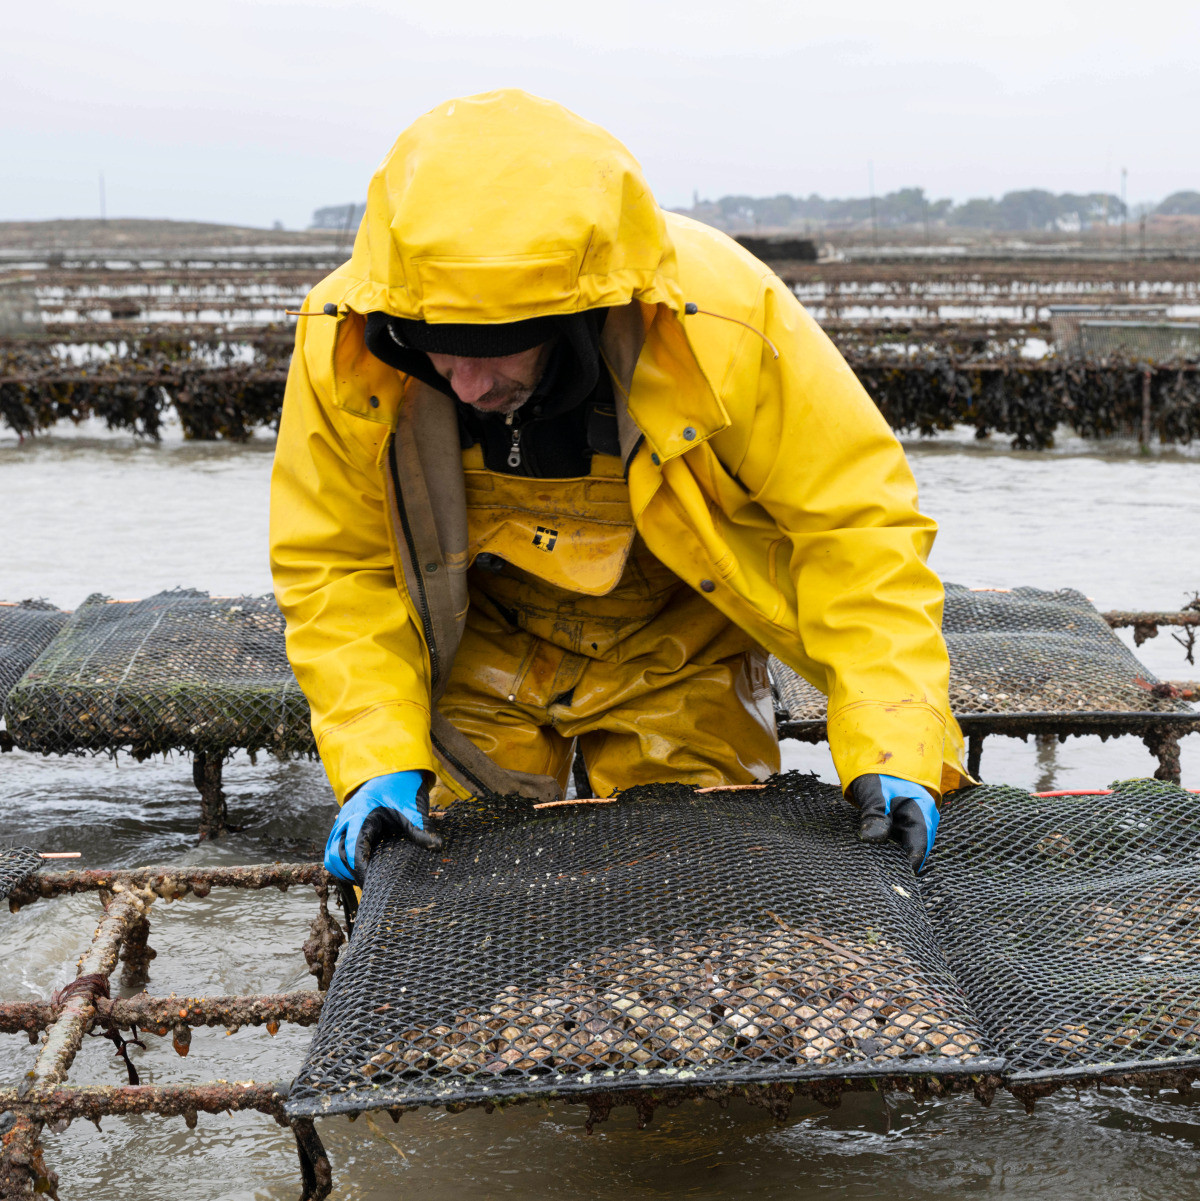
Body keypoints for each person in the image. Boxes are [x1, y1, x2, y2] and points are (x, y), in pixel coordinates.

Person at [269, 90, 970, 888]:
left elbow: (856, 527)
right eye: (436, 350)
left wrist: (895, 737)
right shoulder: (344, 340)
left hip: (676, 649)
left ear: (581, 315)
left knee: (700, 884)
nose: (464, 385)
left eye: (494, 351)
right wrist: (376, 758)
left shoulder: (726, 317)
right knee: (455, 883)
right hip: (478, 649)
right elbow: (335, 567)